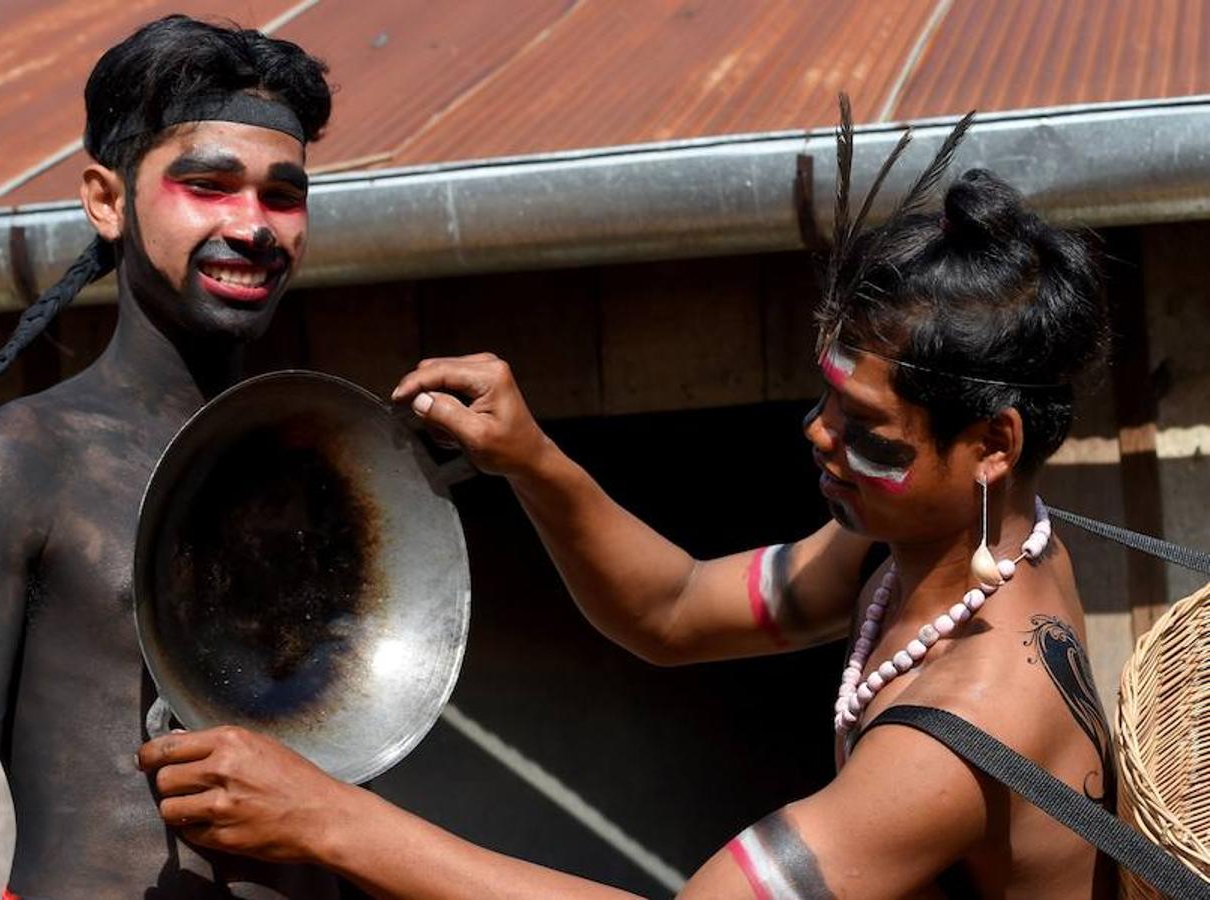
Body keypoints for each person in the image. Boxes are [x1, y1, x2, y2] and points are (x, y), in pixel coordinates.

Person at [139, 117, 1115, 896]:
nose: (818, 437)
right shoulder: (938, 551)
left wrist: (330, 821)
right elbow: (674, 610)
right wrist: (532, 461)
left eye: (869, 432)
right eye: (823, 399)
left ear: (992, 443)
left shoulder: (960, 732)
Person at [0, 14, 347, 898]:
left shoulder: (325, 464)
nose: (254, 226)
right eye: (208, 184)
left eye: (284, 196)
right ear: (107, 199)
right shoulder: (15, 464)